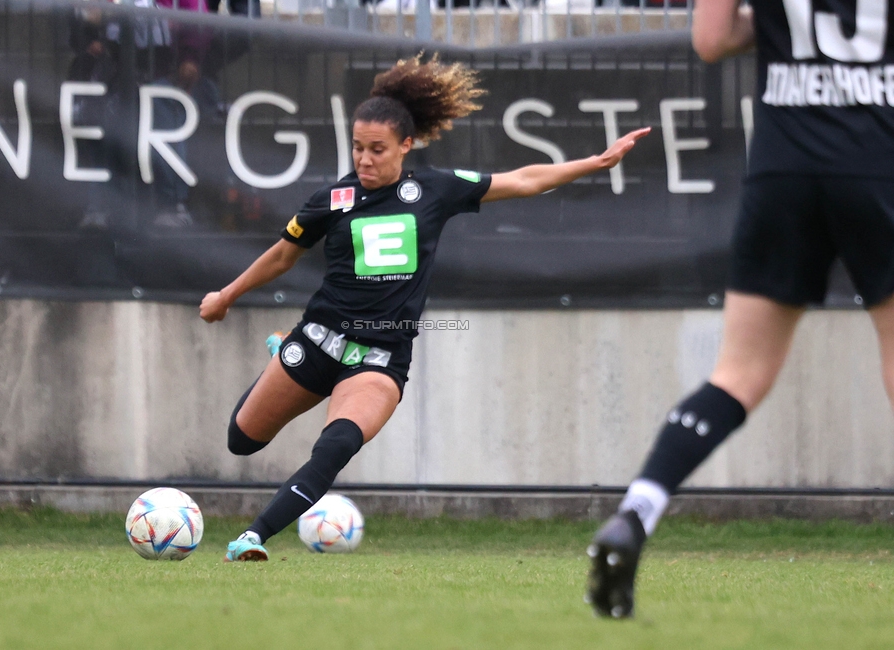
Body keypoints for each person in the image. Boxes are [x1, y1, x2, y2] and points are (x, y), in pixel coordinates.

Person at [199, 54, 650, 562]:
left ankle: (252, 538)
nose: (365, 160)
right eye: (357, 148)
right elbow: (283, 255)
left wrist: (595, 163)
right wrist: (225, 296)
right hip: (317, 340)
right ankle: (282, 355)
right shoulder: (333, 199)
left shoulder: (433, 190)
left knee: (334, 448)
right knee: (242, 440)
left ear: (405, 146)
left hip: (379, 359)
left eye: (377, 150)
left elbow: (524, 179)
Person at [586, 0, 894, 619]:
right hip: (877, 161)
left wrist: (777, 27)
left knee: (737, 374)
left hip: (784, 168)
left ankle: (637, 511)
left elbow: (710, 38)